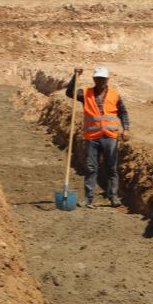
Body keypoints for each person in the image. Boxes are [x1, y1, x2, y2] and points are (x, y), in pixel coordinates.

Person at [65, 66, 130, 208]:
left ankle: (113, 197)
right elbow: (69, 92)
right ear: (94, 79)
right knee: (91, 168)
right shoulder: (85, 94)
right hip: (92, 137)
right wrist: (75, 76)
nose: (100, 81)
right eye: (98, 78)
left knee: (111, 168)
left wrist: (126, 129)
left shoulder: (114, 95)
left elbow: (123, 113)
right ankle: (88, 198)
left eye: (103, 79)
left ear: (107, 79)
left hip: (110, 137)